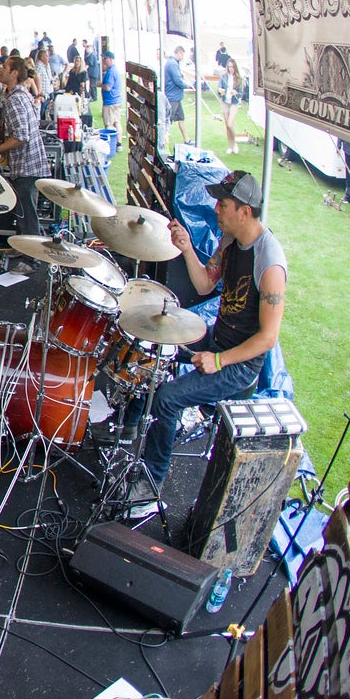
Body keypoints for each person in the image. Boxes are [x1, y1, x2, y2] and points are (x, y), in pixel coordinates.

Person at [131, 172, 286, 517]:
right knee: (158, 332)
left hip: (240, 365)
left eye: (224, 204)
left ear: (244, 211)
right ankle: (130, 424)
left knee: (169, 399)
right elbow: (203, 285)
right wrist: (186, 247)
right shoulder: (230, 241)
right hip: (219, 338)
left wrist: (219, 361)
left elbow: (268, 337)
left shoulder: (269, 263)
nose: (216, 209)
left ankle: (150, 487)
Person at [0, 56, 50, 247]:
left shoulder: (14, 100)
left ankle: (32, 259)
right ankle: (24, 249)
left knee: (27, 217)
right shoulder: (21, 94)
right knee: (24, 214)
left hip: (26, 166)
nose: (1, 68)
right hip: (30, 165)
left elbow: (22, 136)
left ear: (14, 73)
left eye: (5, 67)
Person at [160, 44, 190, 152]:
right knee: (168, 121)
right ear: (179, 53)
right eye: (182, 55)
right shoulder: (172, 64)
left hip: (176, 96)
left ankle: (187, 140)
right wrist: (187, 85)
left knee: (181, 118)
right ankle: (163, 141)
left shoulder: (172, 62)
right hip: (172, 97)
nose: (183, 57)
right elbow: (178, 80)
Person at [99, 50, 123, 133]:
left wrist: (100, 85)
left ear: (110, 59)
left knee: (108, 124)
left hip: (110, 102)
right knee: (117, 122)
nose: (103, 60)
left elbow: (108, 87)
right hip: (117, 100)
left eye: (105, 58)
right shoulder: (115, 70)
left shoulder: (111, 72)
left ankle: (111, 142)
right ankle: (118, 143)